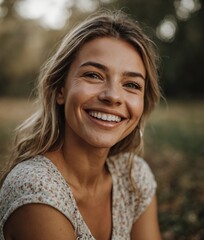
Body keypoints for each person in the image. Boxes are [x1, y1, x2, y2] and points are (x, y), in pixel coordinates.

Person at [0, 9, 162, 240]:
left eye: (132, 85)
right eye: (94, 75)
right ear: (60, 90)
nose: (113, 96)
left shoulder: (134, 177)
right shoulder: (35, 188)